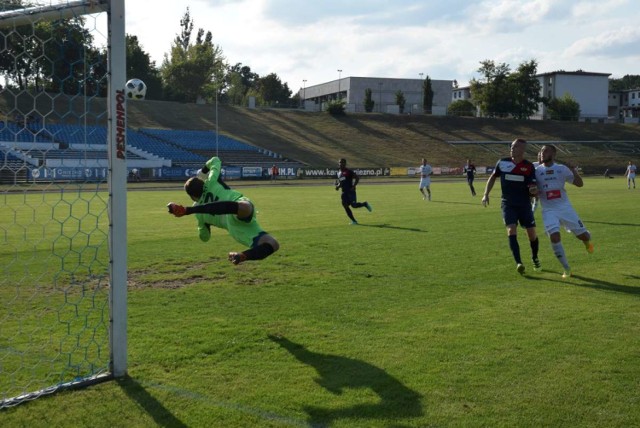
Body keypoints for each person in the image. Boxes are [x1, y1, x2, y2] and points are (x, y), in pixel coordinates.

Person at [167, 156, 279, 265]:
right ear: (202, 182)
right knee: (247, 210)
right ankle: (241, 255)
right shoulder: (211, 181)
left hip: (234, 227)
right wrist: (203, 171)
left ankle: (243, 255)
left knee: (273, 244)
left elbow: (204, 237)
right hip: (237, 205)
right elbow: (215, 160)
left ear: (191, 196)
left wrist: (205, 224)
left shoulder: (199, 215)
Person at [481, 138, 540, 274]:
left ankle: (535, 257)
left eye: (516, 147)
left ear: (523, 150)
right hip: (508, 204)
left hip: (524, 204)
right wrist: (486, 194)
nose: (512, 149)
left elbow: (532, 186)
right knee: (511, 231)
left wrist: (534, 191)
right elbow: (493, 177)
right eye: (512, 146)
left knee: (531, 235)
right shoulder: (502, 162)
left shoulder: (529, 166)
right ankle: (519, 262)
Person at [534, 145, 594, 278]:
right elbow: (531, 189)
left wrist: (574, 170)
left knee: (583, 236)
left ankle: (587, 241)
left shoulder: (561, 169)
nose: (543, 153)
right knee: (554, 237)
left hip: (565, 208)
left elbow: (579, 184)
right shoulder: (536, 171)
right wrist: (532, 192)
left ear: (554, 154)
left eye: (546, 151)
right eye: (542, 151)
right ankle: (566, 268)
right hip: (548, 210)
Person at [335, 158, 372, 225]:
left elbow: (357, 178)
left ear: (345, 164)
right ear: (338, 163)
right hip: (344, 193)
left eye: (342, 162)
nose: (341, 164)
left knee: (354, 206)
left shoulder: (349, 171)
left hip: (351, 192)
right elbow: (341, 182)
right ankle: (354, 221)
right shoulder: (339, 173)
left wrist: (354, 186)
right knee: (345, 205)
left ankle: (365, 204)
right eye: (340, 162)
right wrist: (338, 186)